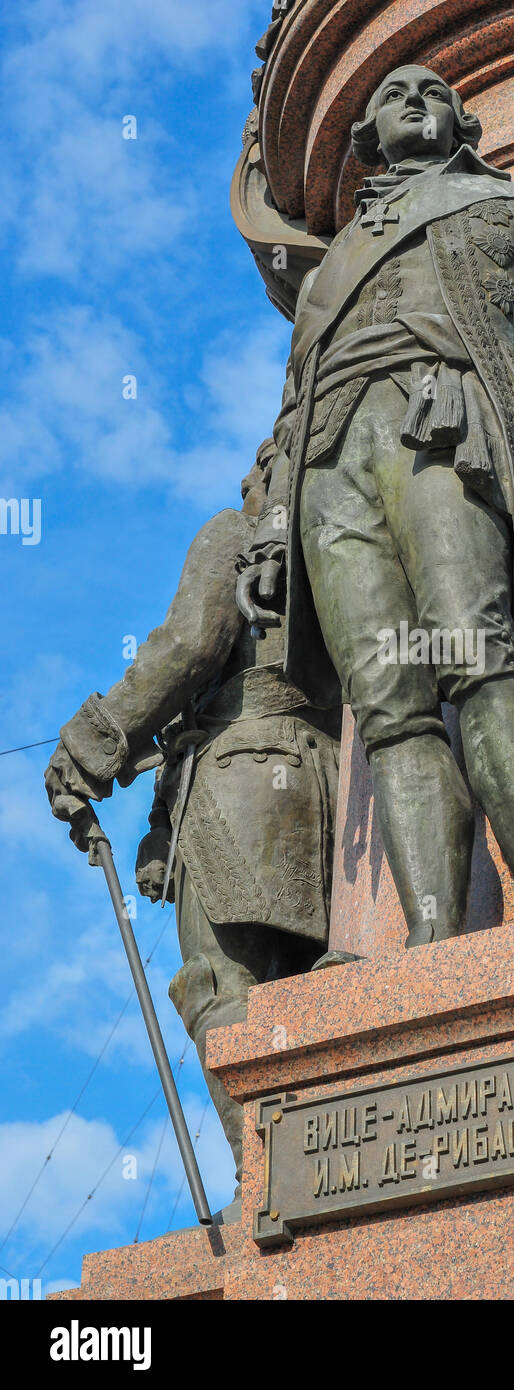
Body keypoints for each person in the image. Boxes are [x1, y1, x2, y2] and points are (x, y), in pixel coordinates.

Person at [238, 65, 514, 949]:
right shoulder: (331, 269)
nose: (414, 98)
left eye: (433, 90)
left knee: (476, 655)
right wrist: (269, 531)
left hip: (440, 426)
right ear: (366, 135)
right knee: (390, 708)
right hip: (330, 469)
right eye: (394, 92)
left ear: (461, 122)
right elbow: (291, 412)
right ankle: (429, 949)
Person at [45, 441, 340, 1217]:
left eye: (251, 470)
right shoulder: (345, 528)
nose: (245, 482)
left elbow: (188, 647)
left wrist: (88, 743)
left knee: (219, 987)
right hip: (340, 790)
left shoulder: (237, 529)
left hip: (244, 782)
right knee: (319, 991)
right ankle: (347, 1161)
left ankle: (276, 1181)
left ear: (261, 472)